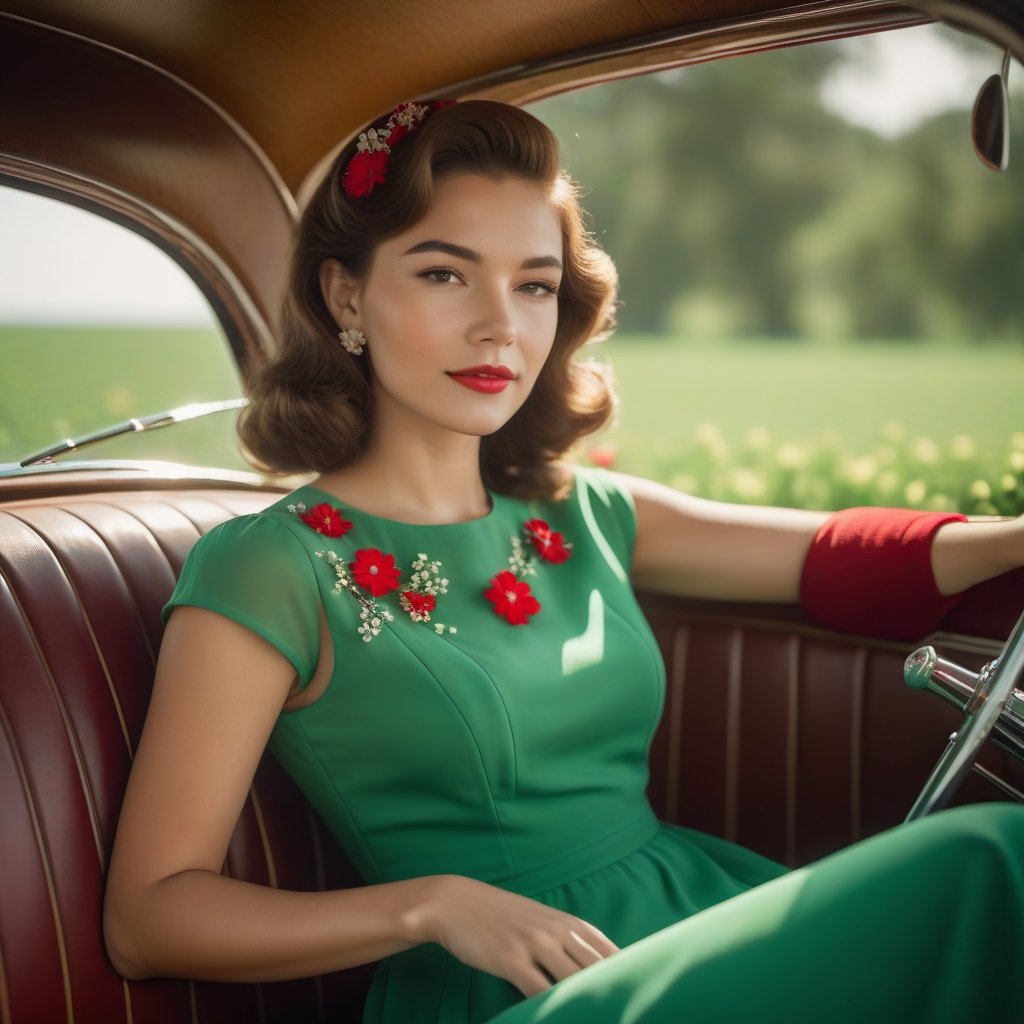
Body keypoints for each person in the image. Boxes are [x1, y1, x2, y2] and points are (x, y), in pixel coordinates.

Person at [103, 99, 1024, 1024]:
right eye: (444, 274)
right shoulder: (271, 565)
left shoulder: (579, 509)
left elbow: (835, 557)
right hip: (518, 989)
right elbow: (149, 917)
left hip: (694, 918)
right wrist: (428, 906)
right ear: (346, 296)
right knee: (990, 858)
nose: (500, 326)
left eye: (534, 285)